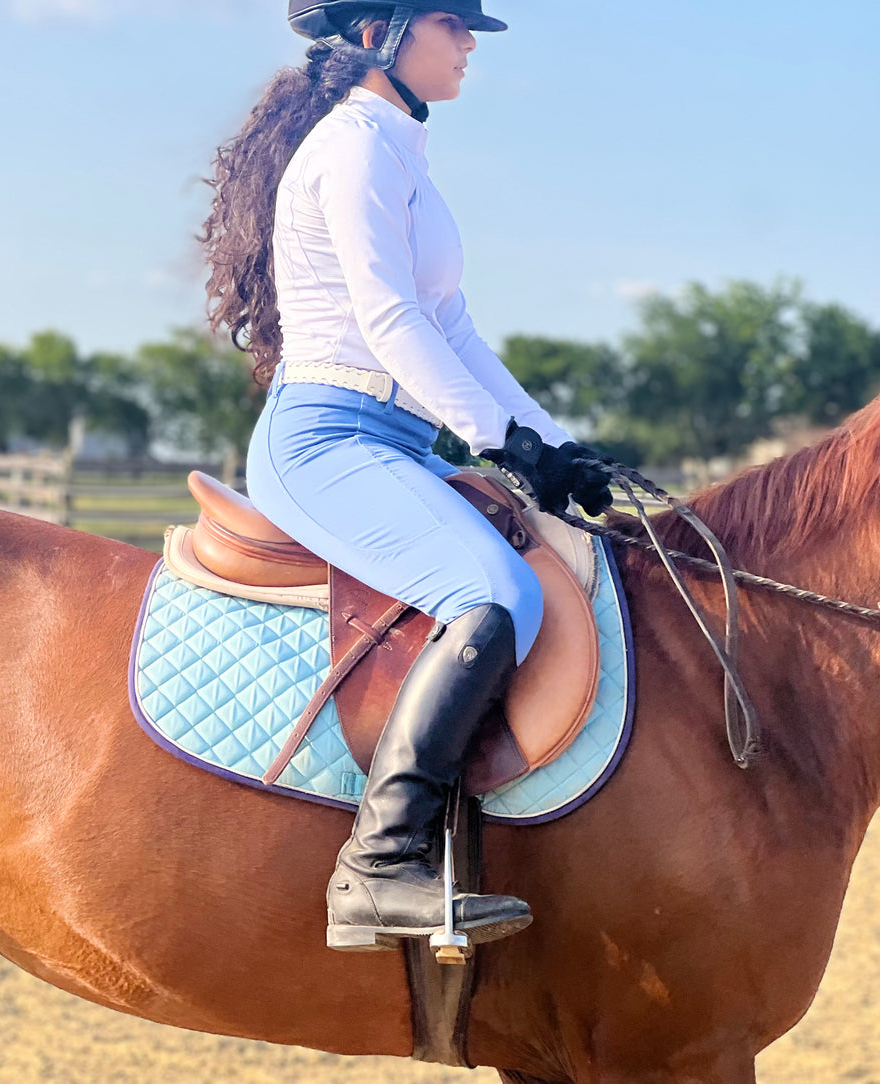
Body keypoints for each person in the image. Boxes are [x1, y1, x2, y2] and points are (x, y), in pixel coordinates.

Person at [201, 1, 613, 951]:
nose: (469, 42)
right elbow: (392, 324)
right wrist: (500, 444)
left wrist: (554, 449)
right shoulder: (350, 148)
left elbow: (455, 329)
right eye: (451, 22)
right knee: (495, 591)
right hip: (325, 438)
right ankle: (379, 867)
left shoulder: (397, 149)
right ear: (381, 31)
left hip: (396, 440)